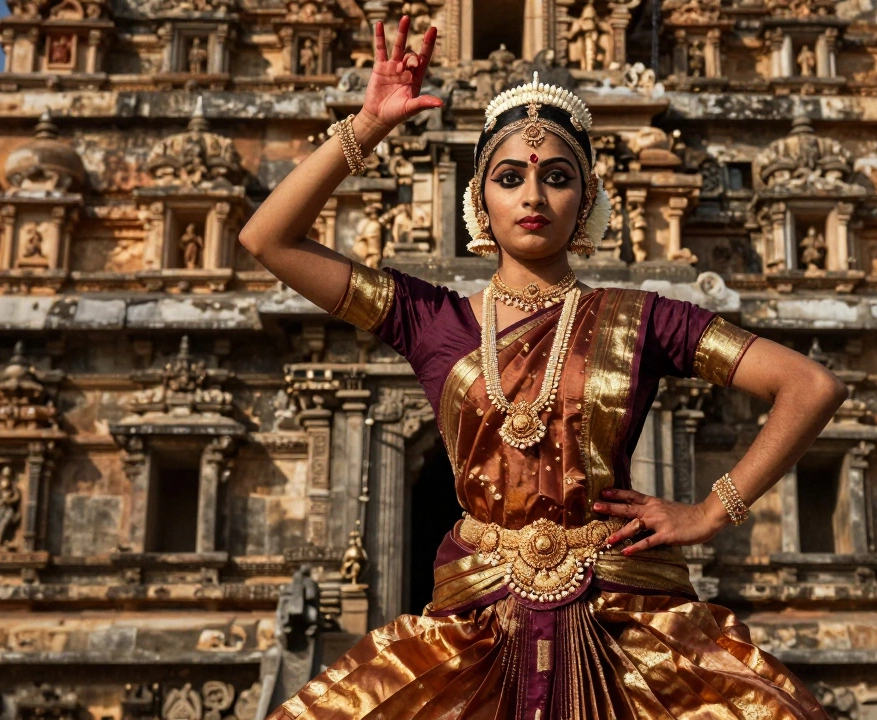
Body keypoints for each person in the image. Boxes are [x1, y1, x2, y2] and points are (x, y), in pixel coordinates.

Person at [239, 16, 846, 720]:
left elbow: (809, 385)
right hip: (477, 629)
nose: (533, 196)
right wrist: (368, 125)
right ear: (479, 201)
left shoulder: (644, 318)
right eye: (508, 177)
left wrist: (712, 510)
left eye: (557, 178)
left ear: (585, 200)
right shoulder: (432, 319)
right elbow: (268, 238)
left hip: (623, 626)